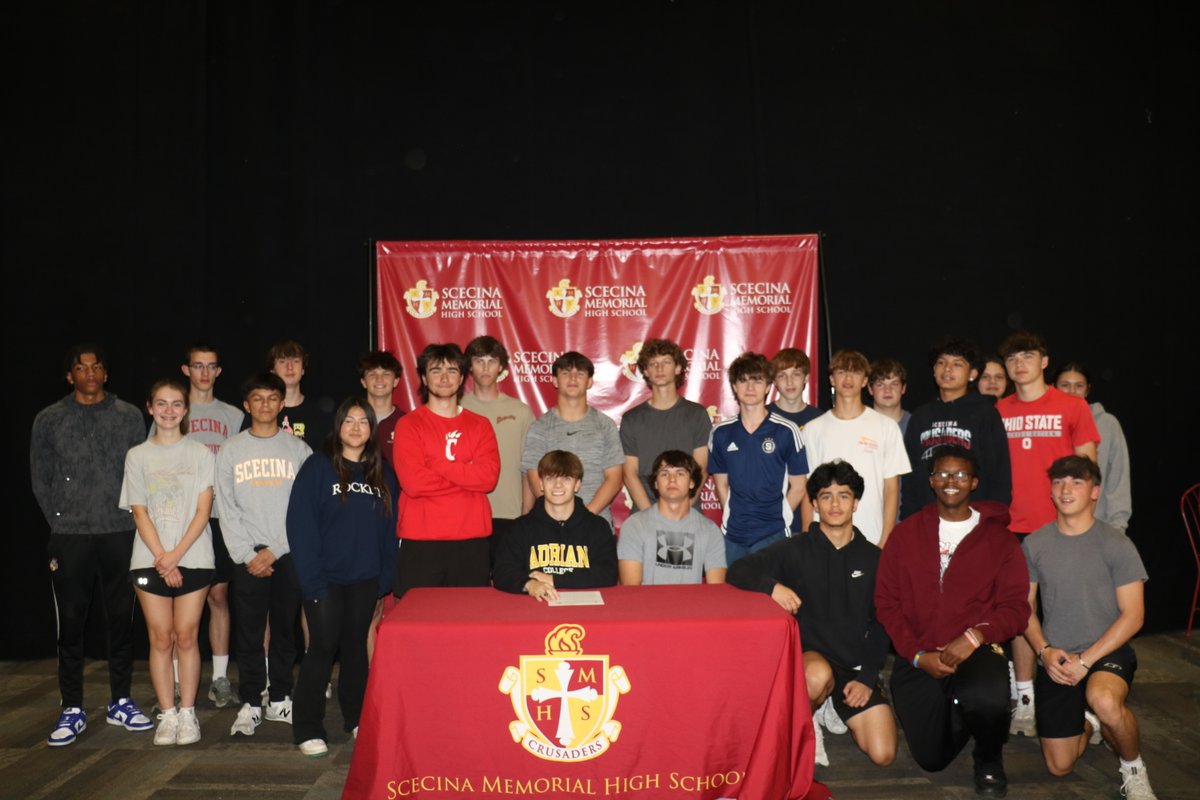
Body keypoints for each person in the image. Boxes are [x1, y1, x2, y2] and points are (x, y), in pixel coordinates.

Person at [875, 446, 1030, 799]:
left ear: (974, 482)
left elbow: (1016, 609)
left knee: (987, 697)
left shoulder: (999, 539)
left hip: (976, 648)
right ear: (931, 481)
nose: (951, 482)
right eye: (943, 474)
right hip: (922, 651)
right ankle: (969, 710)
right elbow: (887, 603)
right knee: (932, 759)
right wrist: (916, 655)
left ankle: (989, 756)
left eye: (960, 475)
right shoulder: (905, 534)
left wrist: (975, 637)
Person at [728, 460, 895, 769]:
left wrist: (868, 678)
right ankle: (808, 720)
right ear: (815, 503)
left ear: (856, 503)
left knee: (883, 753)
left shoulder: (875, 558)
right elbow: (738, 570)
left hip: (853, 668)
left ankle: (831, 703)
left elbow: (884, 623)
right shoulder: (795, 549)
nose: (835, 504)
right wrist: (772, 587)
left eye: (844, 495)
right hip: (810, 661)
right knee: (817, 676)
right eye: (826, 496)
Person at [31, 344, 153, 746]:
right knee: (71, 625)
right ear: (70, 376)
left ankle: (121, 700)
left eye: (96, 365)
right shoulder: (49, 419)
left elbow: (142, 472)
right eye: (81, 368)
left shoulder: (129, 416)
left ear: (105, 373)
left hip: (120, 532)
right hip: (70, 538)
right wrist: (62, 521)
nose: (89, 372)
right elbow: (40, 478)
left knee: (121, 620)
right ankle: (72, 707)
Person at [1021, 456, 1156, 799]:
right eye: (1059, 482)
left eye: (1077, 482)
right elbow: (1023, 608)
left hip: (1105, 652)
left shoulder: (1116, 544)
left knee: (1105, 699)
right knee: (1059, 766)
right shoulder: (1034, 544)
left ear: (1095, 491)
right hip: (1058, 658)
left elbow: (1134, 616)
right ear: (1050, 491)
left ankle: (1133, 768)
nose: (1066, 490)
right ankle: (1089, 722)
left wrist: (1085, 661)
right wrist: (1045, 651)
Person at [996, 330, 1100, 737]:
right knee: (1021, 613)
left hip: (1061, 528)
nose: (1019, 363)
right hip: (1011, 529)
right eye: (1011, 358)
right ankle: (1025, 698)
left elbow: (1089, 469)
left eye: (1027, 355)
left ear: (1043, 361)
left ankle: (1084, 694)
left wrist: (1085, 527)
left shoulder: (1072, 406)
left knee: (1069, 613)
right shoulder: (998, 410)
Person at [286, 398, 398, 757]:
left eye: (362, 422)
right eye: (348, 421)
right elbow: (300, 527)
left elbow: (389, 530)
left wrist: (385, 578)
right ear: (338, 427)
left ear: (371, 429)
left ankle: (356, 718)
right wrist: (311, 580)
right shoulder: (317, 468)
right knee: (321, 649)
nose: (355, 427)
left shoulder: (382, 472)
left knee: (355, 653)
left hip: (365, 580)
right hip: (325, 580)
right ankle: (306, 727)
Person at [120, 378, 215, 746]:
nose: (169, 411)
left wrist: (175, 556)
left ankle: (188, 713)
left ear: (186, 409)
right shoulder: (137, 456)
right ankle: (168, 713)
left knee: (187, 636)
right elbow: (139, 513)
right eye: (162, 404)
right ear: (150, 408)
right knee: (160, 638)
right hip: (149, 558)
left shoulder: (201, 454)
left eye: (177, 404)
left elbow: (203, 511)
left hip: (193, 557)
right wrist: (162, 558)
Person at [216, 372, 312, 736]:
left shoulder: (298, 450)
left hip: (287, 553)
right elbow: (226, 507)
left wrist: (275, 550)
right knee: (250, 633)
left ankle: (281, 698)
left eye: (272, 398)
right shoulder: (231, 449)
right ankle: (251, 702)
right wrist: (248, 553)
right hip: (247, 557)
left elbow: (305, 509)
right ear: (247, 405)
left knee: (286, 629)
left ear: (281, 403)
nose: (266, 405)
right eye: (258, 398)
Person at [392, 343, 500, 597]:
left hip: (471, 542)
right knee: (418, 626)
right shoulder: (409, 425)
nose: (444, 378)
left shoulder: (480, 425)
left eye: (452, 371)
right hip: (421, 542)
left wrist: (436, 465)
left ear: (462, 378)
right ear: (423, 377)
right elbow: (413, 483)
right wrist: (466, 473)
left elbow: (487, 478)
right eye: (436, 370)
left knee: (469, 626)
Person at [173, 343, 244, 709]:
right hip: (180, 520)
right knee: (179, 600)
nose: (204, 373)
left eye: (211, 367)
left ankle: (219, 678)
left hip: (219, 518)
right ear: (186, 370)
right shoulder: (172, 410)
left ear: (218, 372)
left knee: (218, 597)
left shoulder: (232, 415)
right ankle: (173, 682)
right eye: (197, 366)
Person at [801, 350, 911, 547]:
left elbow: (891, 488)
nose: (848, 378)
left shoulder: (886, 427)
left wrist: (886, 537)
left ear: (864, 381)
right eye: (842, 372)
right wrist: (808, 537)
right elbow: (807, 488)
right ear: (832, 379)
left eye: (856, 372)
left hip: (873, 536)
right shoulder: (813, 429)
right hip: (824, 538)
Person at [708, 352, 808, 564]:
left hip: (773, 533)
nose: (750, 387)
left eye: (757, 380)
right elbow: (721, 484)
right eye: (743, 380)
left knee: (771, 594)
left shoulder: (787, 431)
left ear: (768, 386)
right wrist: (734, 517)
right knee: (733, 595)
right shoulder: (721, 433)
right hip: (734, 535)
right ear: (734, 387)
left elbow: (799, 485)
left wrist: (780, 519)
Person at [901, 337, 1011, 519]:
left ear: (973, 374)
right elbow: (910, 477)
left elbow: (999, 473)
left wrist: (991, 520)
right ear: (934, 370)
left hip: (974, 520)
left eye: (957, 364)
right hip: (927, 519)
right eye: (941, 363)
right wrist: (910, 518)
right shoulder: (920, 416)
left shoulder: (986, 414)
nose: (947, 369)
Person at [493, 450, 618, 600]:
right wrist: (529, 584)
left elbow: (608, 574)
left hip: (585, 610)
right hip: (534, 611)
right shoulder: (520, 528)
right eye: (550, 478)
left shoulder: (598, 527)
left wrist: (554, 579)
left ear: (577, 485)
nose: (558, 485)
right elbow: (502, 572)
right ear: (541, 484)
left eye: (566, 478)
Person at [520, 352, 623, 526]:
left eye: (580, 373)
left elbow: (614, 479)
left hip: (595, 525)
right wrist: (557, 516)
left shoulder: (605, 425)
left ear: (589, 382)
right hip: (550, 526)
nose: (573, 378)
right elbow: (534, 476)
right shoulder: (540, 427)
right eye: (566, 373)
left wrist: (583, 517)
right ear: (554, 380)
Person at [620, 338, 712, 511]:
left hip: (687, 507)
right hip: (645, 509)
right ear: (645, 371)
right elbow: (629, 474)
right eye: (653, 363)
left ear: (677, 368)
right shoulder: (631, 419)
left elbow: (701, 468)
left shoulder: (697, 414)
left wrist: (683, 509)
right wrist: (650, 516)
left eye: (666, 362)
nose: (659, 368)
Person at [618, 450, 726, 585]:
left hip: (692, 605)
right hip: (646, 605)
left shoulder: (710, 531)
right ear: (656, 484)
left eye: (680, 473)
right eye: (664, 474)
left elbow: (716, 591)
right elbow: (631, 590)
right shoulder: (634, 526)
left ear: (692, 482)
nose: (672, 479)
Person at [460, 335, 534, 527]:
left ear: (501, 367)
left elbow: (529, 469)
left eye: (491, 361)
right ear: (469, 366)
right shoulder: (455, 409)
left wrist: (526, 514)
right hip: (465, 514)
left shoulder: (520, 411)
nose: (485, 368)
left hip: (510, 514)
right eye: (479, 361)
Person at [1053, 363, 1131, 530]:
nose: (1072, 392)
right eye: (1065, 385)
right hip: (1053, 527)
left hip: (1098, 525)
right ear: (1053, 387)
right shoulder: (1047, 424)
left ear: (1088, 390)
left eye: (1079, 386)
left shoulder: (1107, 424)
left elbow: (1119, 479)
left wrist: (1118, 527)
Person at [270, 339, 332, 447]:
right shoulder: (262, 412)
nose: (290, 367)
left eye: (296, 361)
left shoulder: (320, 414)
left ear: (303, 369)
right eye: (282, 361)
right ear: (273, 371)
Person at [358, 350, 405, 467]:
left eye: (386, 374)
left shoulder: (406, 423)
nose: (379, 379)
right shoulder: (349, 421)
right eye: (372, 374)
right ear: (363, 382)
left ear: (396, 381)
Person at [867, 357, 911, 435]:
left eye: (894, 384)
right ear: (870, 389)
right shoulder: (860, 425)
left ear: (903, 388)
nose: (887, 390)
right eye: (880, 384)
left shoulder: (915, 425)